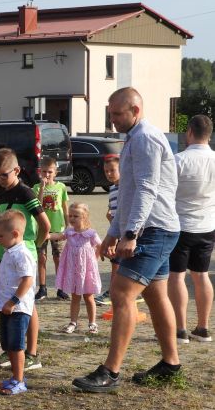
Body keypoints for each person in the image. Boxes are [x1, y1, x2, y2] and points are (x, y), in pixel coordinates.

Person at [72, 87, 181, 393]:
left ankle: (111, 371)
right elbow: (129, 193)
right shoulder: (134, 137)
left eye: (117, 114)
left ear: (135, 110)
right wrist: (112, 234)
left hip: (153, 230)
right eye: (110, 114)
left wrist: (130, 233)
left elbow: (146, 189)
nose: (113, 120)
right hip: (156, 228)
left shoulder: (145, 138)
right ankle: (171, 364)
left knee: (121, 294)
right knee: (156, 296)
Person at [0, 148, 50, 371]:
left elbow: (45, 225)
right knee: (7, 298)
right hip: (4, 255)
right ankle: (11, 350)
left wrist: (37, 247)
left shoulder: (26, 193)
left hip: (25, 254)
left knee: (27, 303)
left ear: (16, 170)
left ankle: (31, 353)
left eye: (3, 175)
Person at [167, 114, 215, 344]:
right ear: (209, 135)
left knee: (176, 276)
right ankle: (203, 328)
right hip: (207, 225)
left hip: (181, 225)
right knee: (201, 275)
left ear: (189, 132)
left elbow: (167, 193)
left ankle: (180, 330)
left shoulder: (178, 160)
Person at [0, 210, 36, 395]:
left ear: (15, 234)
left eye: (0, 235)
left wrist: (13, 301)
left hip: (18, 308)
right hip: (7, 306)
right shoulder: (9, 252)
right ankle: (15, 377)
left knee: (17, 345)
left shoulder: (21, 254)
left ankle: (19, 380)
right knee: (8, 344)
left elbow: (28, 280)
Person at [51, 203, 102, 334]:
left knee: (89, 297)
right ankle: (73, 322)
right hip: (73, 270)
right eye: (70, 216)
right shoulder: (69, 232)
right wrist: (47, 235)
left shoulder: (90, 233)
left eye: (76, 216)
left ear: (84, 217)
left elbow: (100, 246)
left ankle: (92, 323)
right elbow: (59, 236)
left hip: (86, 271)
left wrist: (95, 259)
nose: (72, 218)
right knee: (75, 297)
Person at [32, 157, 69, 301]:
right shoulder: (36, 187)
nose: (47, 175)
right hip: (41, 228)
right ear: (40, 172)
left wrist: (68, 225)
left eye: (50, 172)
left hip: (57, 228)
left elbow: (65, 207)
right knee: (41, 257)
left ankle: (60, 288)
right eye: (44, 172)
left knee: (58, 257)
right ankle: (42, 288)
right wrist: (42, 188)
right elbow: (37, 205)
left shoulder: (61, 187)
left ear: (55, 172)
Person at [95, 155, 120, 306]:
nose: (109, 174)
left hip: (125, 232)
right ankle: (114, 291)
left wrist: (113, 237)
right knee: (115, 261)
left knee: (117, 261)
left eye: (112, 170)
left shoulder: (125, 187)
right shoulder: (112, 188)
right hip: (116, 230)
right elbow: (112, 211)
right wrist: (110, 217)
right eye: (106, 171)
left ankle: (113, 292)